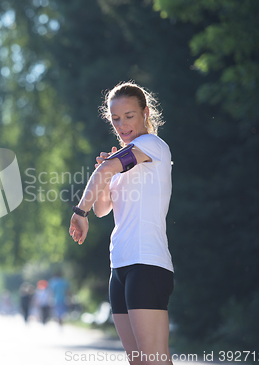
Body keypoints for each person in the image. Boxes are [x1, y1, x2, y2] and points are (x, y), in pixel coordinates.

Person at [69, 82, 174, 365]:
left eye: (129, 116)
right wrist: (104, 177)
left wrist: (80, 210)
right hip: (120, 266)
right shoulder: (123, 159)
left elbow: (96, 200)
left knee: (154, 360)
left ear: (145, 112)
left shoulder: (151, 145)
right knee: (137, 361)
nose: (122, 124)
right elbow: (103, 209)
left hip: (147, 263)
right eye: (116, 118)